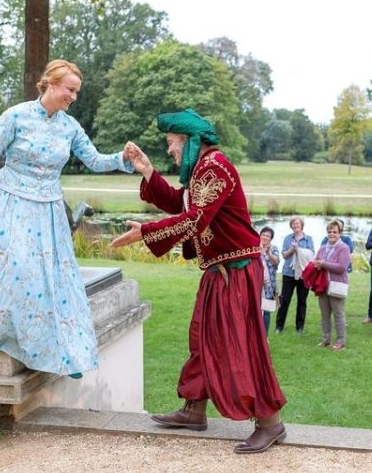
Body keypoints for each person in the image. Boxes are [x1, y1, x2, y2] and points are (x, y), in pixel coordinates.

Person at [0, 60, 134, 378]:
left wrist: (121, 159)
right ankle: (5, 332)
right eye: (70, 89)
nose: (74, 97)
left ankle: (59, 351)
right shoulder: (15, 115)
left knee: (48, 281)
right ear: (51, 83)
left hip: (47, 211)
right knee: (18, 268)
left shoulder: (70, 127)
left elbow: (95, 160)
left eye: (77, 91)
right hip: (9, 203)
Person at [111, 109, 287, 454]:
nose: (170, 151)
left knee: (243, 344)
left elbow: (194, 220)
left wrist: (145, 233)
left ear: (190, 141)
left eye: (172, 143)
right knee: (201, 338)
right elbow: (182, 201)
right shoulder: (203, 171)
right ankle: (194, 409)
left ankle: (271, 423)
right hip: (219, 270)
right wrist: (147, 171)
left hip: (236, 270)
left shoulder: (215, 167)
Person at [313, 219, 351, 351]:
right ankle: (326, 340)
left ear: (340, 233)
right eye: (330, 231)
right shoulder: (323, 248)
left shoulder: (344, 248)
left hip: (337, 285)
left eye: (335, 231)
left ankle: (340, 342)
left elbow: (341, 267)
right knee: (324, 314)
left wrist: (323, 264)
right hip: (323, 285)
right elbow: (316, 261)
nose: (332, 234)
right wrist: (316, 265)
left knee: (338, 314)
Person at [276, 217, 315, 334]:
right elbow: (284, 255)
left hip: (304, 274)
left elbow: (311, 255)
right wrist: (292, 250)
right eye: (293, 223)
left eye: (297, 223)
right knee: (285, 300)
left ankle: (300, 327)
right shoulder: (288, 238)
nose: (295, 225)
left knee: (302, 301)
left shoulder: (309, 239)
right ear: (291, 226)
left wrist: (299, 250)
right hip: (289, 273)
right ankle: (279, 326)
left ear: (301, 225)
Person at [259, 226, 280, 337]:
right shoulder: (254, 247)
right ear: (260, 235)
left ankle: (264, 337)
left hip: (268, 285)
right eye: (264, 234)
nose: (265, 237)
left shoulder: (274, 248)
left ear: (271, 239)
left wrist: (268, 253)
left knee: (266, 310)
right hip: (256, 283)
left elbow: (276, 262)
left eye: (268, 236)